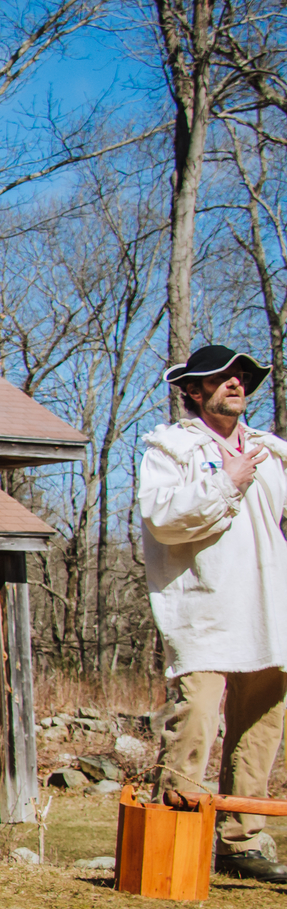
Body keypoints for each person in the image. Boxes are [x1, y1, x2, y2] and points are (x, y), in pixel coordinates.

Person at [141, 344, 287, 881]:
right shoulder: (171, 447)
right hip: (203, 607)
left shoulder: (273, 452)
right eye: (221, 377)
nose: (235, 383)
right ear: (194, 391)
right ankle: (177, 837)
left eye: (241, 377)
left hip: (269, 610)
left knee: (261, 728)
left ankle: (243, 842)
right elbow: (164, 520)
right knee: (197, 718)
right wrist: (227, 482)